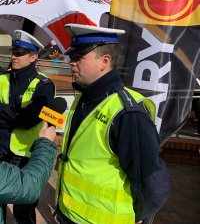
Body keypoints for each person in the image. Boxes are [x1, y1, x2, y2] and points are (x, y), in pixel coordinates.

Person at [55, 24, 170, 224]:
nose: (71, 63)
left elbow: (152, 182)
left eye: (78, 58)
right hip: (68, 213)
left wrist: (141, 215)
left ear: (105, 61)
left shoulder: (127, 112)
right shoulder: (84, 97)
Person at [0, 30, 55, 224]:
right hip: (1, 151)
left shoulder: (44, 85)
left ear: (33, 57)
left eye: (20, 53)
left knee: (24, 211)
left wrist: (5, 112)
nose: (14, 56)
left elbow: (28, 121)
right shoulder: (2, 78)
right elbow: (21, 117)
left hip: (26, 155)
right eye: (13, 52)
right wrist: (14, 114)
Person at [0, 121, 57, 224]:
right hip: (7, 152)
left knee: (24, 211)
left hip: (30, 155)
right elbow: (30, 187)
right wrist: (46, 145)